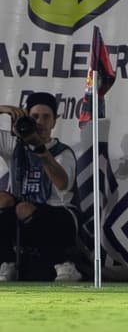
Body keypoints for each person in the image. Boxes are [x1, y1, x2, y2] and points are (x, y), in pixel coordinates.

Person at [0, 93, 81, 282]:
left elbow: (63, 183)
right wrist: (2, 109)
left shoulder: (63, 152)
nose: (40, 122)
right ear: (26, 118)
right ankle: (6, 263)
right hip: (22, 214)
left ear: (54, 122)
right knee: (3, 200)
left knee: (23, 208)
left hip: (60, 216)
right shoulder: (14, 145)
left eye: (46, 117)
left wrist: (40, 150)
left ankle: (64, 264)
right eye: (35, 117)